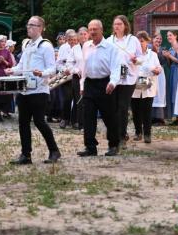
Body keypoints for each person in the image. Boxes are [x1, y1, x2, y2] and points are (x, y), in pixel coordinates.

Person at [5, 16, 61, 165]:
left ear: (40, 28)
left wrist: (41, 73)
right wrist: (12, 70)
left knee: (39, 122)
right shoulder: (27, 45)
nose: (28, 27)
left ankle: (54, 150)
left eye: (32, 25)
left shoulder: (46, 46)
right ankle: (26, 155)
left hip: (39, 90)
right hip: (24, 89)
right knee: (22, 122)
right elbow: (22, 66)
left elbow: (52, 68)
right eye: (28, 24)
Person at [77, 19, 121, 157]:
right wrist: (82, 84)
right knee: (88, 116)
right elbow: (83, 67)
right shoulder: (86, 46)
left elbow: (116, 68)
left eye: (95, 29)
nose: (92, 32)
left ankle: (113, 145)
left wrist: (113, 83)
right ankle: (90, 147)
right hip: (90, 84)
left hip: (105, 83)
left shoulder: (111, 48)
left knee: (109, 116)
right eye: (90, 29)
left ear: (101, 30)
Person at [107, 15, 142, 148]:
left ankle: (122, 137)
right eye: (115, 24)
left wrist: (135, 60)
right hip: (114, 77)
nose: (117, 26)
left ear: (125, 26)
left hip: (129, 77)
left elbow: (141, 57)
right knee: (114, 108)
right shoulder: (109, 40)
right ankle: (117, 134)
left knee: (123, 107)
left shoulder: (133, 40)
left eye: (119, 24)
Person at [131, 31, 162, 143]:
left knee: (147, 111)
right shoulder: (132, 55)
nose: (140, 44)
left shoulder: (152, 54)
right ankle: (138, 132)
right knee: (136, 111)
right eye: (138, 42)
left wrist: (158, 70)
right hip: (134, 85)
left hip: (148, 84)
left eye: (142, 41)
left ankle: (147, 134)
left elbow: (159, 67)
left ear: (147, 41)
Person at [56, 29, 83, 128]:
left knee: (77, 99)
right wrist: (65, 69)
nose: (73, 42)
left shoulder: (80, 48)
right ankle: (65, 118)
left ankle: (75, 120)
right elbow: (58, 63)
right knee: (67, 98)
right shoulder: (63, 48)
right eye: (71, 40)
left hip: (77, 77)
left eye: (75, 40)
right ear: (67, 40)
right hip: (66, 77)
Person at [162, 31, 178, 125]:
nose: (168, 37)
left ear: (175, 36)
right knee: (172, 93)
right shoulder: (171, 48)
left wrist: (169, 56)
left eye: (170, 35)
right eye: (167, 36)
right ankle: (177, 117)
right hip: (172, 70)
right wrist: (167, 57)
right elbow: (170, 63)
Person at [150, 33, 167, 126]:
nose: (159, 40)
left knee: (159, 94)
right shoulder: (149, 49)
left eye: (160, 39)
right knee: (151, 93)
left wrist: (166, 56)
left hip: (160, 73)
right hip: (152, 72)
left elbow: (164, 63)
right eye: (157, 38)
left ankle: (159, 118)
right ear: (152, 39)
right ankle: (151, 117)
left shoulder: (162, 50)